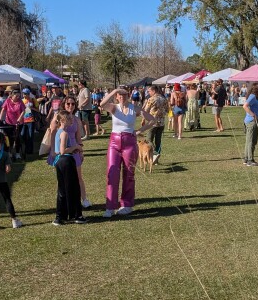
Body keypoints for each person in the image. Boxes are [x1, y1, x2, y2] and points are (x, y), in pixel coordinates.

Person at [100, 87, 154, 217]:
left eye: (124, 94)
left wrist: (139, 131)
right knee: (112, 173)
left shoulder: (134, 108)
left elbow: (152, 120)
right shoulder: (113, 107)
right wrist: (113, 91)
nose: (122, 97)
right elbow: (101, 104)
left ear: (128, 95)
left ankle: (127, 205)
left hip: (129, 142)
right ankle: (110, 207)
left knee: (129, 174)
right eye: (119, 95)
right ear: (116, 96)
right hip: (114, 142)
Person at [46, 96, 91, 208]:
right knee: (63, 178)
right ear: (64, 105)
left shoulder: (76, 120)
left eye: (72, 104)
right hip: (61, 152)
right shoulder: (58, 117)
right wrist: (52, 150)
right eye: (68, 104)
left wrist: (81, 150)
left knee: (78, 176)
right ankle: (64, 201)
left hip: (74, 150)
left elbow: (78, 137)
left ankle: (84, 199)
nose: (70, 106)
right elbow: (52, 134)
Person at [50, 110, 87, 225]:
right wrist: (76, 147)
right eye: (69, 119)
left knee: (62, 189)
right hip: (66, 160)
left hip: (60, 162)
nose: (72, 120)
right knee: (73, 188)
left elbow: (57, 150)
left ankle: (61, 216)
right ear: (62, 120)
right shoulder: (64, 133)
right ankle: (77, 215)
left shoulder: (58, 132)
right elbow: (62, 151)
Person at [141, 85, 169, 165]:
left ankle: (154, 154)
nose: (148, 93)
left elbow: (145, 111)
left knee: (149, 139)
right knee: (158, 141)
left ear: (153, 91)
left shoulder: (151, 99)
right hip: (161, 122)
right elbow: (167, 110)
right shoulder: (164, 99)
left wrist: (143, 120)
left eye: (149, 91)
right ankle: (156, 159)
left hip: (152, 123)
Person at [0, 89, 25, 161]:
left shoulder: (20, 101)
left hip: (18, 123)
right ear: (12, 96)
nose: (18, 97)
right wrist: (0, 119)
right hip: (9, 122)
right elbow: (3, 110)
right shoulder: (7, 101)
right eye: (16, 96)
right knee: (10, 138)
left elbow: (23, 111)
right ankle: (9, 153)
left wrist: (19, 118)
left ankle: (17, 153)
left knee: (17, 138)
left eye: (19, 96)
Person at [242, 83, 258, 166]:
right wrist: (253, 115)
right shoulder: (253, 96)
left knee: (249, 140)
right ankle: (250, 160)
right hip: (251, 121)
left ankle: (246, 158)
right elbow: (245, 106)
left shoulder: (252, 97)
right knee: (251, 140)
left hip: (250, 121)